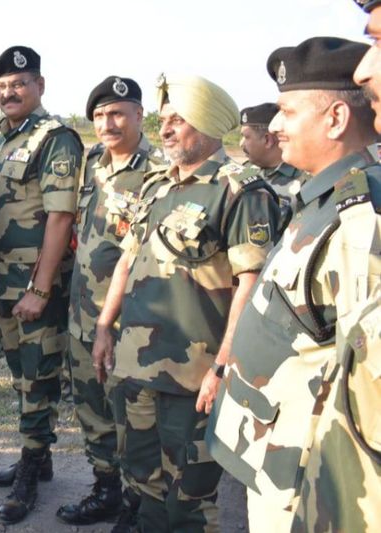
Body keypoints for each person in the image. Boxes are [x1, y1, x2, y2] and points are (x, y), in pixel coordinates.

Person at [93, 73, 281, 532]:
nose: (167, 130)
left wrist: (222, 366)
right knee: (144, 487)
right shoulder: (157, 185)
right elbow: (127, 260)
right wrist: (103, 327)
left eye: (179, 119)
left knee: (189, 502)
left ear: (211, 124)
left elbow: (250, 285)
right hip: (136, 369)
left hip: (193, 382)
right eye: (164, 120)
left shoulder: (240, 191)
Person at [208, 35, 379, 531]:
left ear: (336, 119)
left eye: (287, 111)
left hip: (309, 478)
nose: (275, 126)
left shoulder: (360, 216)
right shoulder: (322, 197)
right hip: (276, 457)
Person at [0, 45, 82, 525]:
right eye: (1, 87)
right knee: (21, 371)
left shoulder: (54, 138)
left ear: (39, 86)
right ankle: (38, 459)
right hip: (5, 276)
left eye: (18, 84)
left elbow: (61, 216)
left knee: (39, 375)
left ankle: (30, 468)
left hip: (39, 279)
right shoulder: (2, 138)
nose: (9, 92)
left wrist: (40, 288)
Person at [56, 75, 164, 530]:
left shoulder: (157, 169)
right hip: (84, 316)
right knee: (93, 411)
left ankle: (139, 507)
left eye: (118, 112)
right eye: (99, 115)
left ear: (140, 115)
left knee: (135, 423)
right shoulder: (92, 162)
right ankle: (106, 489)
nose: (108, 122)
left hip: (132, 323)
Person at [238, 102, 307, 226]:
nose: (241, 144)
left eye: (246, 137)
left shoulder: (304, 179)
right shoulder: (245, 171)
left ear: (267, 140)